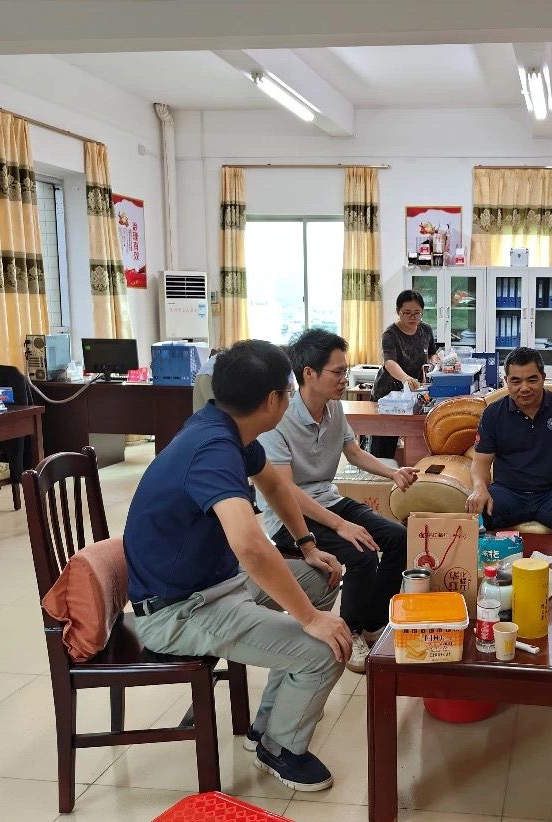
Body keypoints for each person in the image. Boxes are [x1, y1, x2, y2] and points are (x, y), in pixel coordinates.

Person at [124, 340, 353, 793]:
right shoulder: (212, 449)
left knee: (323, 578)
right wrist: (310, 619)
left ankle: (266, 726)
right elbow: (250, 545)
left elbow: (275, 486)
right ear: (273, 400)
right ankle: (281, 749)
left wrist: (307, 545)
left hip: (217, 582)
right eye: (289, 392)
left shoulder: (226, 427)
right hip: (179, 610)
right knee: (327, 649)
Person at [258, 328, 417, 675]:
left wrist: (393, 473)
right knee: (361, 553)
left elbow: (354, 452)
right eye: (338, 371)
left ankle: (373, 623)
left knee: (399, 538)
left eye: (345, 371)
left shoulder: (334, 409)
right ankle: (349, 633)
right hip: (288, 516)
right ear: (309, 373)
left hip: (328, 501)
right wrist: (342, 525)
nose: (345, 378)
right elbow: (286, 492)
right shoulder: (278, 419)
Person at [465, 347, 552, 534]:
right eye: (516, 381)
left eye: (532, 380)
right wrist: (479, 488)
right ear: (506, 381)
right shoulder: (493, 413)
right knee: (478, 515)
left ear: (543, 378)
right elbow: (480, 462)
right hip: (507, 492)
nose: (524, 388)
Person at [368, 289, 439, 458]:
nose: (412, 317)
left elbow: (432, 353)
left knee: (417, 439)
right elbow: (389, 362)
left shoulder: (425, 330)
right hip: (389, 393)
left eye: (417, 313)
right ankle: (380, 472)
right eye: (407, 313)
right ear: (398, 311)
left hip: (414, 392)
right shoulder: (390, 334)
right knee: (384, 445)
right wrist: (405, 378)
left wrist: (436, 363)